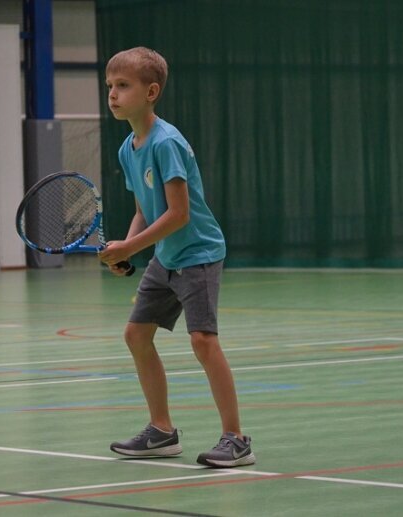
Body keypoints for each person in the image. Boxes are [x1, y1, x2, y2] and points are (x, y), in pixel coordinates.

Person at [99, 47, 255, 468]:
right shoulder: (127, 148)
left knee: (203, 341)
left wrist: (131, 248)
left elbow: (179, 213)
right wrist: (125, 248)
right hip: (166, 257)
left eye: (123, 86)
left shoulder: (166, 142)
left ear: (151, 92)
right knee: (136, 335)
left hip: (198, 253)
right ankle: (162, 431)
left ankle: (236, 439)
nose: (112, 94)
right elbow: (144, 211)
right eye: (109, 86)